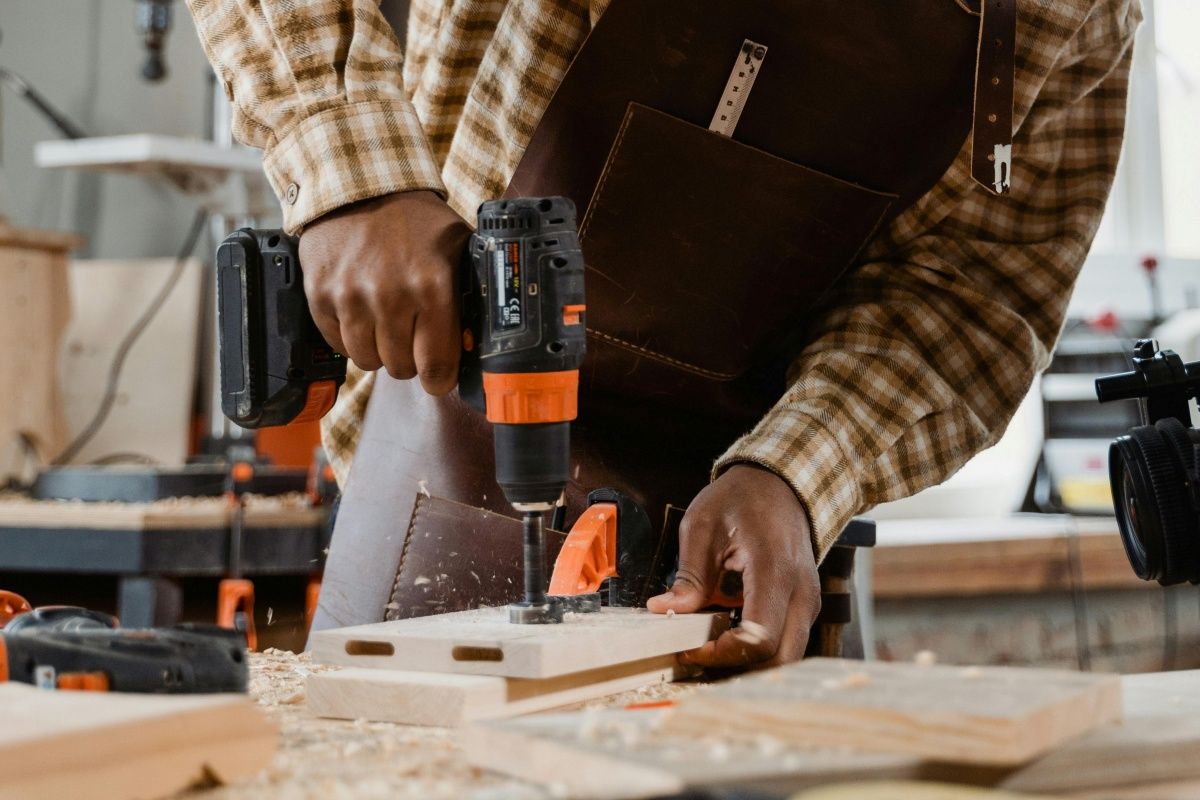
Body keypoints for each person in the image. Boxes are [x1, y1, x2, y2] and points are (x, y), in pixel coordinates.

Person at [185, 0, 1140, 667]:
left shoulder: (1071, 11)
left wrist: (797, 472)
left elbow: (971, 291)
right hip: (441, 443)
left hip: (745, 553)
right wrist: (346, 157)